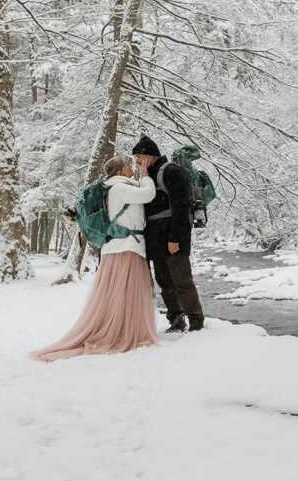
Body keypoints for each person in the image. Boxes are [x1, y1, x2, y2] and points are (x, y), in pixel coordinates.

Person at [32, 155, 158, 361]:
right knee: (126, 292)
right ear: (119, 171)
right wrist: (145, 175)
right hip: (125, 247)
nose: (131, 168)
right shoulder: (119, 188)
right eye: (128, 166)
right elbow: (147, 194)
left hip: (116, 247)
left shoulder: (111, 187)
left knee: (119, 293)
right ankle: (120, 333)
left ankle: (120, 328)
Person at [132, 135, 204, 332]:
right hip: (155, 239)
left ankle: (196, 323)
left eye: (139, 157)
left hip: (172, 237)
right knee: (165, 283)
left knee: (182, 281)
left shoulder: (171, 171)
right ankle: (176, 321)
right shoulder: (147, 177)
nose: (137, 161)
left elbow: (181, 206)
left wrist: (175, 238)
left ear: (150, 155)